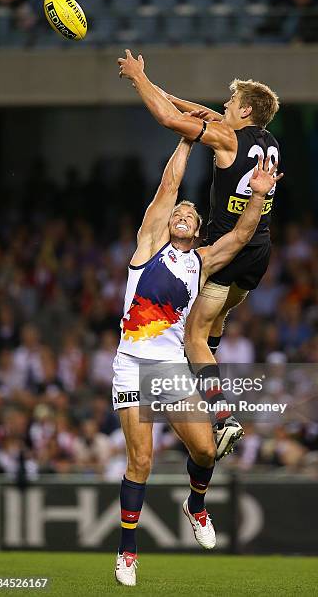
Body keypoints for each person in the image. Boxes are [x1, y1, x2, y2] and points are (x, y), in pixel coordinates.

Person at [113, 137, 282, 586]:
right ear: (168, 224)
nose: (182, 213)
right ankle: (128, 553)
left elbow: (243, 235)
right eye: (177, 213)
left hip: (169, 368)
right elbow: (168, 186)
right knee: (141, 461)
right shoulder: (148, 247)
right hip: (132, 363)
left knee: (207, 449)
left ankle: (197, 505)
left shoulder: (202, 263)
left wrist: (260, 194)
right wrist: (187, 139)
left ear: (198, 226)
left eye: (190, 213)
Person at [118, 50, 281, 459]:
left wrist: (139, 79)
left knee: (191, 335)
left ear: (244, 110)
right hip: (260, 248)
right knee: (215, 322)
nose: (224, 107)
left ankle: (222, 415)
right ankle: (207, 369)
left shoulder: (228, 137)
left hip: (229, 247)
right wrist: (160, 89)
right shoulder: (266, 140)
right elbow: (198, 112)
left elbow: (174, 122)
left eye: (230, 103)